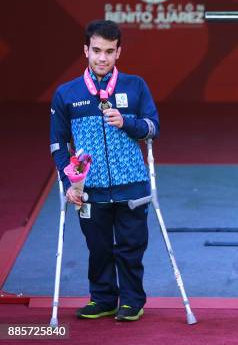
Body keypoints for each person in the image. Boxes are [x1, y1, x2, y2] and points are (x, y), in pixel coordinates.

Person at [50, 20, 159, 322]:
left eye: (109, 51)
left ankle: (132, 301)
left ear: (118, 52)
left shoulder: (135, 86)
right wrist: (69, 182)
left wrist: (127, 122)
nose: (102, 58)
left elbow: (153, 128)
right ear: (86, 50)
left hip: (132, 185)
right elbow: (58, 144)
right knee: (98, 249)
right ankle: (103, 299)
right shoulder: (67, 93)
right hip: (89, 189)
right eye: (96, 50)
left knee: (130, 248)